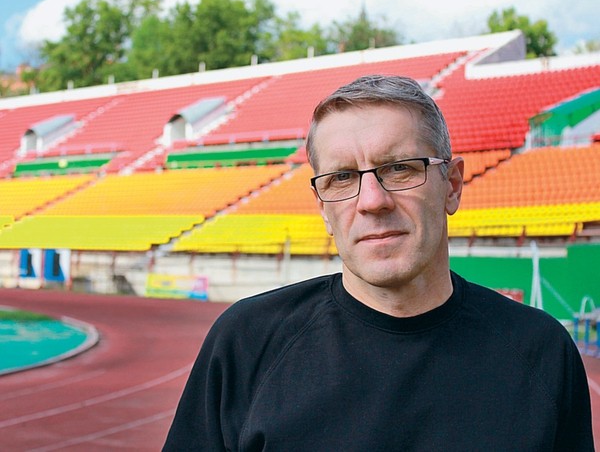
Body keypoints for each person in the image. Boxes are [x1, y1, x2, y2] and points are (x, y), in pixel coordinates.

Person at [163, 75, 594, 451]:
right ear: (322, 207)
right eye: (341, 177)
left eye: (400, 168)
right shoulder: (246, 342)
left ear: (452, 186)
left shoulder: (542, 352)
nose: (372, 201)